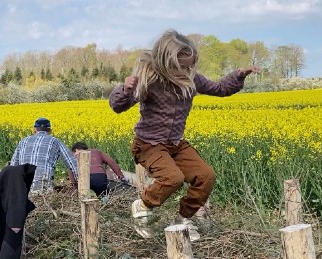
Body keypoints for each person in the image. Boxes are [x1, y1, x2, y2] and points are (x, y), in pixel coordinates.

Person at [109, 29, 259, 240]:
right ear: (166, 62)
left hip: (175, 144)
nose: (187, 69)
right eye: (182, 65)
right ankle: (143, 205)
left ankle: (183, 219)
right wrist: (124, 89)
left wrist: (238, 75)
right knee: (173, 178)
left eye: (190, 65)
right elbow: (118, 106)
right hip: (148, 144)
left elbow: (220, 88)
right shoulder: (149, 78)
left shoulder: (191, 79)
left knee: (206, 176)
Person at [10, 117, 79, 194]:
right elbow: (71, 163)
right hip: (43, 185)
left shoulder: (23, 141)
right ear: (50, 130)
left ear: (34, 129)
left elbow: (13, 165)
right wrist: (78, 182)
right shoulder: (55, 141)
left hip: (23, 184)